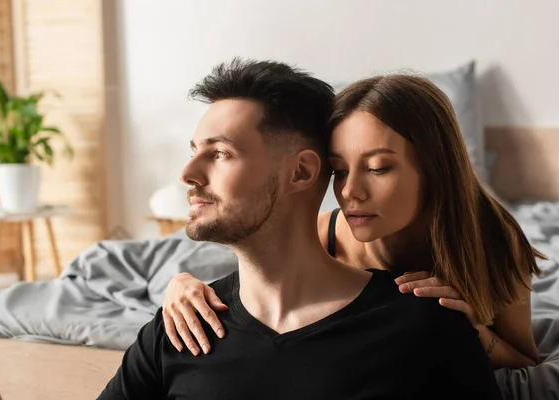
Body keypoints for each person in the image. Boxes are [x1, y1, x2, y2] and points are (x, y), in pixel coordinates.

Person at [98, 58, 502, 399]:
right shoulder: (180, 325)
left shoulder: (428, 326)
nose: (187, 173)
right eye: (194, 152)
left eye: (220, 153)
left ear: (302, 171)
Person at [162, 71, 545, 370]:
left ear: (435, 169)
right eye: (340, 171)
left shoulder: (493, 239)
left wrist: (474, 333)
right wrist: (180, 284)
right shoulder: (325, 234)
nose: (350, 193)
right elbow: (243, 275)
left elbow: (527, 361)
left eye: (377, 168)